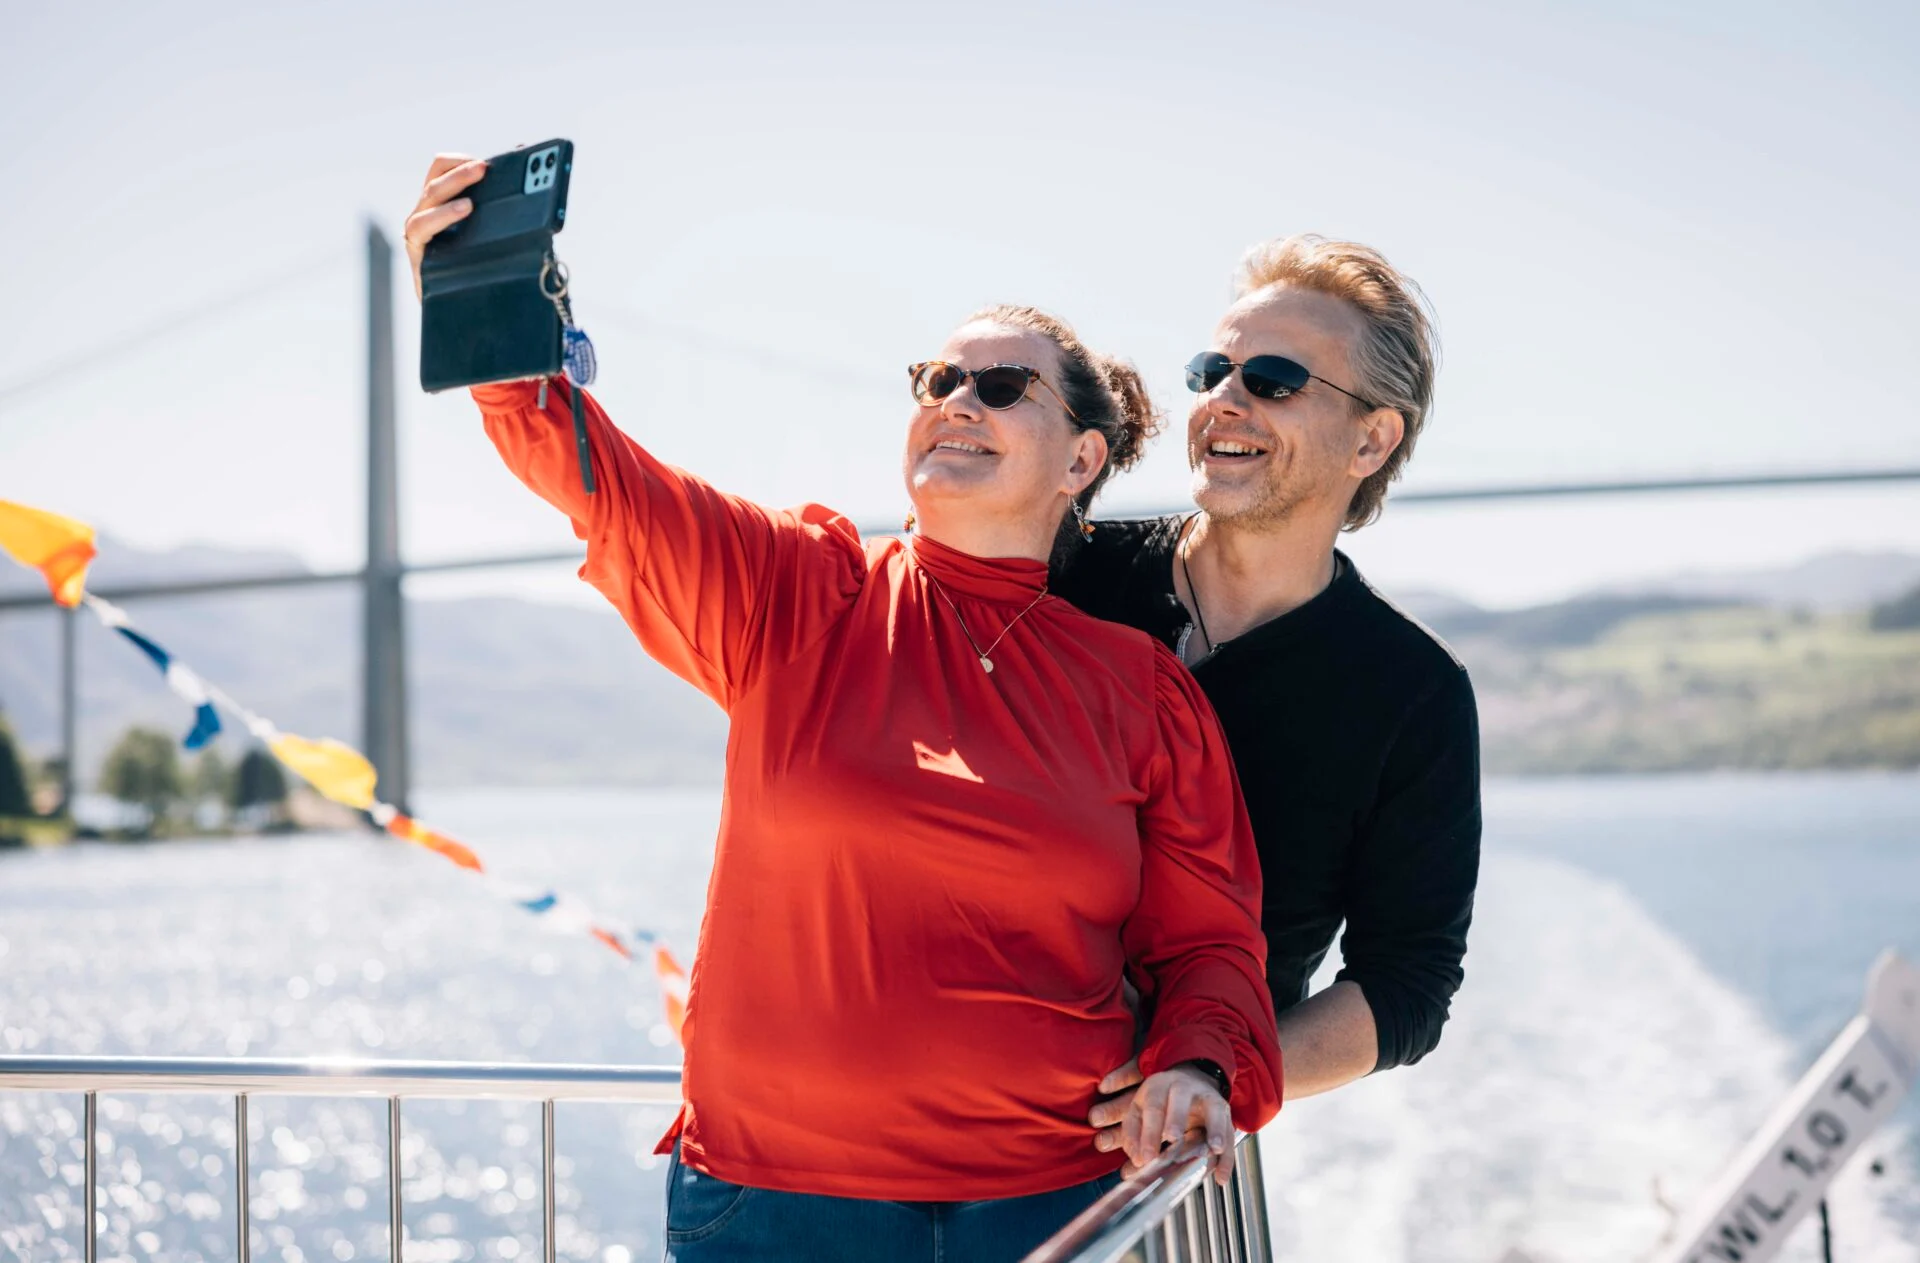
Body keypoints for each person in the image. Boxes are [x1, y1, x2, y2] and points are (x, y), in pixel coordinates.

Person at [404, 155, 1282, 1263]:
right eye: (938, 380)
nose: (956, 401)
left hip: (1055, 1203)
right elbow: (596, 475)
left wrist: (1195, 1062)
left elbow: (1209, 944)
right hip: (779, 1205)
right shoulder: (798, 591)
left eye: (1002, 387)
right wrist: (482, 298)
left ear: (1082, 459)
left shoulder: (1139, 689)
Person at [1062, 236, 1481, 1146]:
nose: (1223, 399)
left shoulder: (1412, 692)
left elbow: (1407, 984)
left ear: (1371, 439)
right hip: (942, 1124)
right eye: (1211, 371)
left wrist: (1209, 1075)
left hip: (1153, 1179)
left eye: (1275, 379)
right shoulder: (1065, 577)